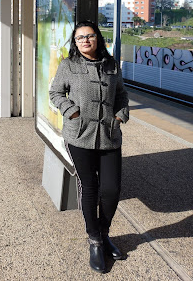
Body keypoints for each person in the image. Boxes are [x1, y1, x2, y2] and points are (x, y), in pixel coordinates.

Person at [49, 20, 129, 274]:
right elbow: (55, 93)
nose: (85, 41)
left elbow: (121, 94)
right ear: (75, 42)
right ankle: (94, 239)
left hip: (109, 135)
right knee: (90, 188)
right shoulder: (68, 65)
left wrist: (120, 115)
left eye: (89, 36)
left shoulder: (112, 65)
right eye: (80, 38)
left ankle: (104, 234)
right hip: (80, 136)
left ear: (98, 38)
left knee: (112, 189)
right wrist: (71, 112)